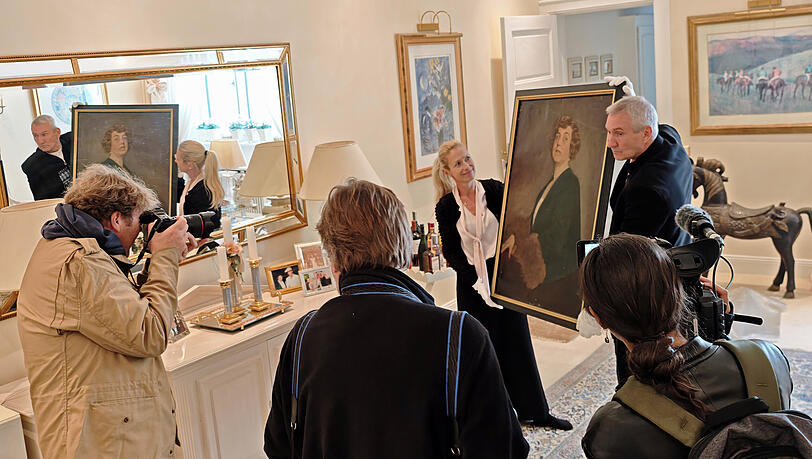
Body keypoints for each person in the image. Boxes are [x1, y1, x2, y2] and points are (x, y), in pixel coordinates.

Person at [264, 179, 528, 458]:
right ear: (405, 250)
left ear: (334, 260)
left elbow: (279, 446)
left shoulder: (303, 337)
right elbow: (504, 450)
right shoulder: (458, 334)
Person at [16, 164, 197, 458]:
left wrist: (160, 256)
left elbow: (122, 313)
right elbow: (149, 333)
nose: (139, 234)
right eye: (137, 223)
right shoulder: (79, 263)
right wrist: (164, 254)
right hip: (104, 443)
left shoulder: (70, 249)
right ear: (116, 219)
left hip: (110, 436)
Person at [578, 234, 793, 459]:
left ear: (599, 318)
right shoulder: (770, 359)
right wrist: (720, 333)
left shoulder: (610, 430)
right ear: (681, 294)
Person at [433, 140, 572, 430]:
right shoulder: (446, 206)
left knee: (518, 343)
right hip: (470, 283)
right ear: (447, 172)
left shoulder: (494, 189)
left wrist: (504, 267)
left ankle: (538, 412)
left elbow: (518, 222)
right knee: (484, 349)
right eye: (458, 163)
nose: (466, 166)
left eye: (468, 159)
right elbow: (451, 252)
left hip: (506, 276)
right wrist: (477, 280)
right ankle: (496, 417)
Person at [605, 95, 693, 388]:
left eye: (618, 133)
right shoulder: (670, 138)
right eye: (609, 131)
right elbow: (659, 123)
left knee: (639, 362)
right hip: (677, 257)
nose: (610, 142)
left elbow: (626, 257)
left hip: (646, 286)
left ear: (645, 133)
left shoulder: (647, 190)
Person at [526, 115, 581, 318]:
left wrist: (524, 249)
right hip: (544, 271)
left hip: (557, 275)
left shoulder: (569, 184)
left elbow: (557, 238)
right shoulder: (552, 182)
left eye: (566, 138)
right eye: (558, 136)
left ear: (572, 147)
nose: (559, 142)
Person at [175, 140, 223, 236]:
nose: (175, 161)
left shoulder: (203, 191)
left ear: (190, 165)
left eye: (178, 158)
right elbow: (179, 196)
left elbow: (206, 225)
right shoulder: (192, 182)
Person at [21, 115, 73, 200]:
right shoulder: (32, 166)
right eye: (35, 136)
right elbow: (43, 202)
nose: (40, 141)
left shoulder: (73, 141)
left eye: (44, 134)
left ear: (57, 132)